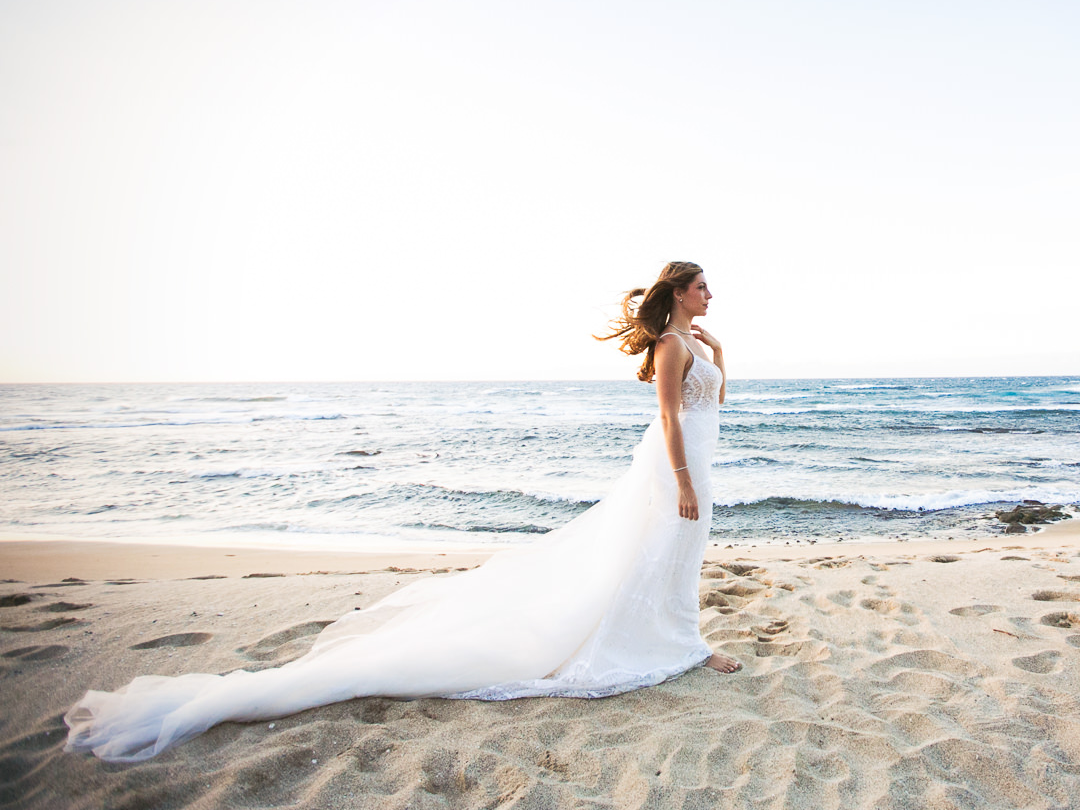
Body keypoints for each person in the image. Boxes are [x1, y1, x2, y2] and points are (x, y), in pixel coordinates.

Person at [64, 261, 740, 763]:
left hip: (694, 462)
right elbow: (672, 420)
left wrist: (720, 353)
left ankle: (682, 641)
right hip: (674, 465)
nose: (710, 295)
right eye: (702, 285)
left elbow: (717, 404)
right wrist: (681, 479)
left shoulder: (693, 345)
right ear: (679, 291)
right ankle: (681, 645)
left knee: (676, 556)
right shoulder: (671, 347)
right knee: (661, 552)